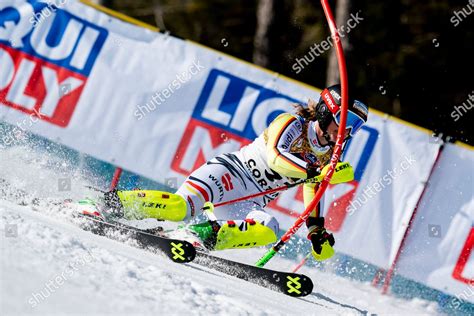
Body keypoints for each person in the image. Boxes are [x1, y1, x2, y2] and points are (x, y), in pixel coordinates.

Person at [103, 84, 369, 261]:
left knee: (268, 230)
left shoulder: (330, 152)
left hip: (251, 200)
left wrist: (315, 228)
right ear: (325, 112)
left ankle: (195, 236)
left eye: (355, 126)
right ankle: (109, 203)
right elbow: (276, 158)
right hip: (229, 174)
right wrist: (317, 171)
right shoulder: (292, 123)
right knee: (179, 208)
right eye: (346, 120)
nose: (347, 131)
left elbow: (313, 187)